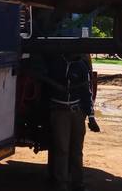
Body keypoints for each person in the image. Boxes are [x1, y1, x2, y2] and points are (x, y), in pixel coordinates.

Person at [43, 53, 101, 191]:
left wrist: (91, 117)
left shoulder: (81, 67)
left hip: (77, 113)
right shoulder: (55, 64)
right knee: (61, 149)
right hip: (59, 112)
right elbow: (45, 89)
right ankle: (61, 184)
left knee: (76, 150)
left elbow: (87, 93)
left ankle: (78, 183)